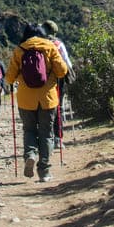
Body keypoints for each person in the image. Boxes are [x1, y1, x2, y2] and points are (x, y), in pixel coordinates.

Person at [5, 23, 68, 183]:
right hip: (48, 98)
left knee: (29, 130)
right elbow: (62, 71)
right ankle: (44, 171)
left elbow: (9, 78)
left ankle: (30, 155)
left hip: (26, 100)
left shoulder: (19, 50)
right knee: (47, 133)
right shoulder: (49, 46)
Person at [42, 19, 74, 148]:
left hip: (42, 80)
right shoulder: (58, 44)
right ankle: (58, 138)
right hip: (58, 79)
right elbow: (67, 63)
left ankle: (45, 138)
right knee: (58, 107)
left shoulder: (37, 43)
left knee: (44, 108)